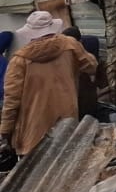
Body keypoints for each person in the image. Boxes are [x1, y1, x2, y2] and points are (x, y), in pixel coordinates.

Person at [0, 12, 97, 157]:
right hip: (67, 122)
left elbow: (11, 101)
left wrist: (5, 132)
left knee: (37, 168)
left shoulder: (19, 60)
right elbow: (91, 66)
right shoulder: (70, 45)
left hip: (34, 131)